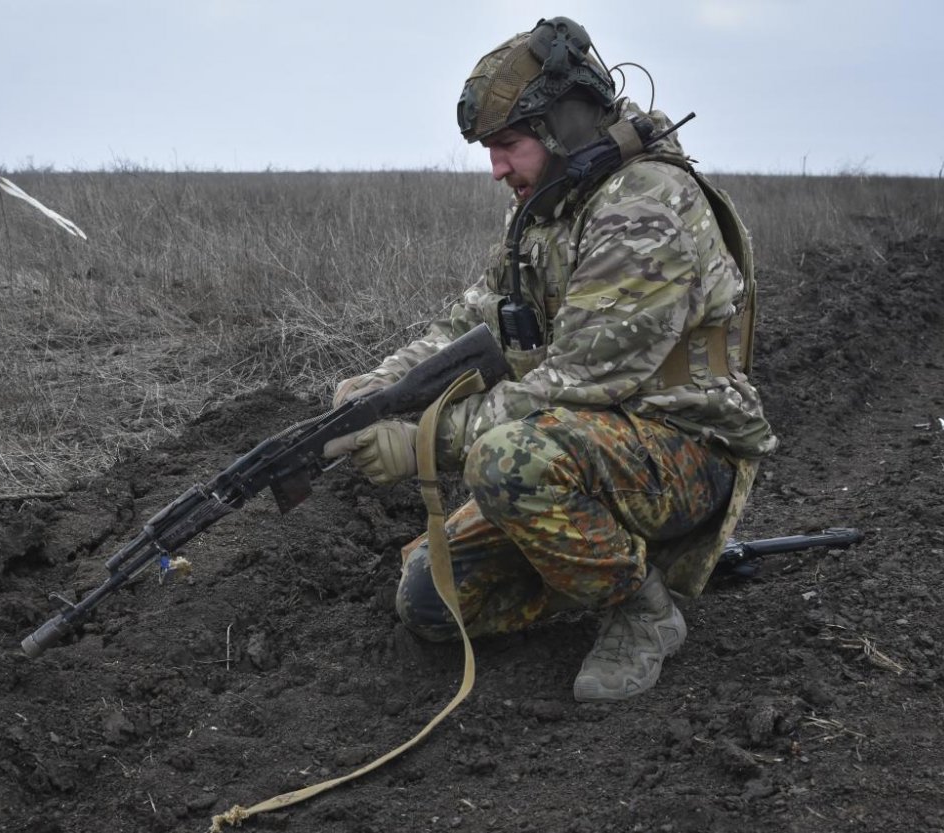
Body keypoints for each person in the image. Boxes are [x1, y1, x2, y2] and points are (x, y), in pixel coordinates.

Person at [323, 17, 777, 702]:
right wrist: (386, 386)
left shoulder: (645, 207)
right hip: (589, 448)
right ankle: (597, 559)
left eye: (508, 145)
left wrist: (421, 438)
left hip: (685, 448)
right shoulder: (548, 207)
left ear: (563, 126)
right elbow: (476, 317)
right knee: (431, 600)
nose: (496, 167)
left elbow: (577, 383)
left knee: (506, 460)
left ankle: (643, 614)